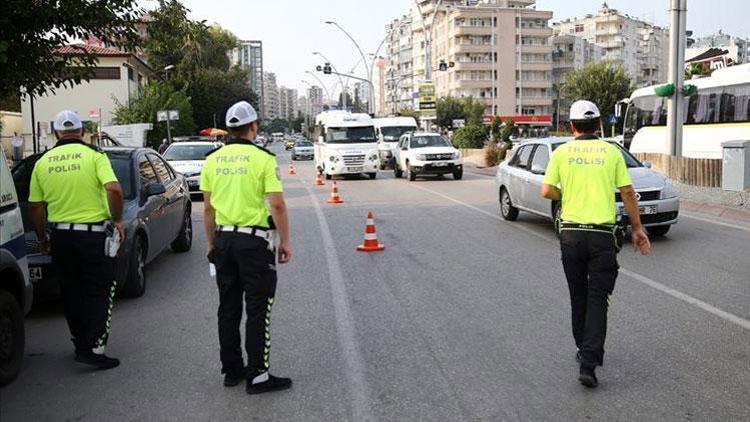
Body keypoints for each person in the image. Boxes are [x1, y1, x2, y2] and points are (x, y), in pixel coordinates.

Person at [541, 100, 651, 388]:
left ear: (571, 126)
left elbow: (546, 190)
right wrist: (637, 228)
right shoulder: (611, 151)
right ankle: (589, 363)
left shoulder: (562, 153)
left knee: (578, 295)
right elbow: (627, 191)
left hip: (571, 236)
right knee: (598, 298)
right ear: (600, 124)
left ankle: (582, 349)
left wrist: (568, 192)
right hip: (603, 237)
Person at [200, 101, 293, 395]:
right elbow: (276, 204)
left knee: (228, 308)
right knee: (257, 309)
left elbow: (207, 209)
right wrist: (285, 241)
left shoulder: (212, 159)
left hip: (224, 241)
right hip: (254, 244)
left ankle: (232, 371)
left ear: (229, 129)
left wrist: (210, 244)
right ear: (253, 127)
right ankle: (258, 375)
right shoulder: (262, 159)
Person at [28, 110, 125, 370]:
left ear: (57, 133)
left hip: (61, 237)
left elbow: (35, 206)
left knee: (71, 292)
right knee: (100, 290)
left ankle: (80, 344)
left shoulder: (42, 162)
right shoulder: (95, 156)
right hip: (92, 236)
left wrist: (41, 238)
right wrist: (117, 220)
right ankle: (95, 348)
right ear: (82, 131)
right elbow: (114, 189)